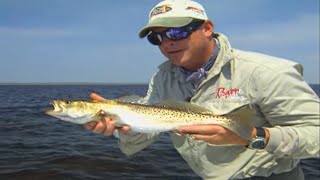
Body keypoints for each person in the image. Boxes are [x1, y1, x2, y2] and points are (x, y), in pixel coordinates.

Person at [85, 0, 320, 179]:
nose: (167, 42)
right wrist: (124, 128)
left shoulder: (267, 72)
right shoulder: (162, 77)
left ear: (207, 28)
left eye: (176, 32)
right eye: (156, 38)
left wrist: (255, 137)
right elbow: (149, 130)